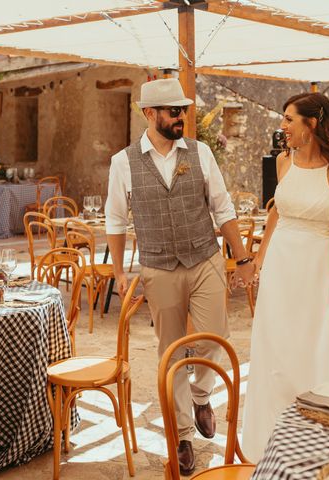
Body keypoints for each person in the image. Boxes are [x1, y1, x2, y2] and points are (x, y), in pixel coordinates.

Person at [105, 78, 256, 475]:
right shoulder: (123, 163)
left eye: (183, 111)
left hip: (205, 259)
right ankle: (183, 435)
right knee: (170, 351)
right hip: (158, 266)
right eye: (173, 111)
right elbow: (116, 219)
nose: (181, 117)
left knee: (214, 337)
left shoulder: (201, 152)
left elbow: (222, 209)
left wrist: (242, 259)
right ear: (149, 114)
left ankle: (202, 394)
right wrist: (120, 271)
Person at [241, 92, 329, 461]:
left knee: (315, 348)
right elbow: (277, 212)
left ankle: (321, 443)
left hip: (317, 268)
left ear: (312, 124)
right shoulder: (282, 162)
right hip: (281, 267)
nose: (283, 126)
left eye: (289, 119)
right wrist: (258, 259)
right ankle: (272, 444)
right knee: (276, 350)